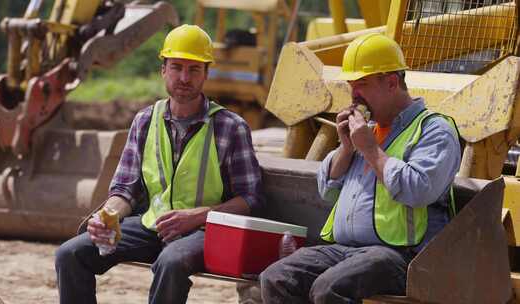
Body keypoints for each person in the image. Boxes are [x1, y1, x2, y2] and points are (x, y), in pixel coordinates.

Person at [55, 24, 264, 304]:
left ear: (206, 74)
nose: (184, 77)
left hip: (204, 232)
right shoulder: (144, 120)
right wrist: (108, 217)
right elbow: (125, 189)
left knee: (171, 262)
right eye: (176, 67)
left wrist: (197, 216)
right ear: (163, 70)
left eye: (194, 69)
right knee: (69, 254)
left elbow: (250, 200)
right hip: (151, 225)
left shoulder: (230, 127)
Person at [260, 33, 461, 303]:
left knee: (328, 288)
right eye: (351, 84)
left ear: (391, 83)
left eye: (362, 84)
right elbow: (326, 191)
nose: (354, 94)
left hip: (402, 255)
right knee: (276, 278)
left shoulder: (434, 130)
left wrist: (369, 150)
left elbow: (419, 190)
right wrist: (345, 148)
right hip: (345, 249)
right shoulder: (368, 130)